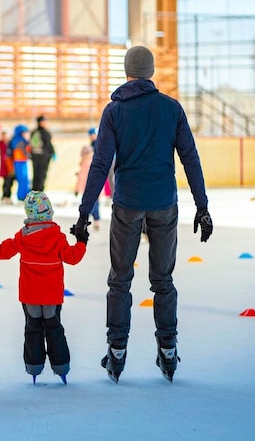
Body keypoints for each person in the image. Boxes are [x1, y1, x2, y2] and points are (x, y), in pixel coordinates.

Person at [72, 45, 213, 384]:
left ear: (127, 71)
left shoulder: (114, 111)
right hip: (164, 203)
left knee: (120, 279)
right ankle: (168, 349)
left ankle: (117, 350)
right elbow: (190, 158)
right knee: (163, 280)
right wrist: (202, 206)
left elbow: (101, 164)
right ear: (150, 72)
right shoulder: (171, 109)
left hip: (128, 205)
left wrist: (83, 214)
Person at [0, 191, 87, 384]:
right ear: (49, 212)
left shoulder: (22, 237)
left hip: (30, 295)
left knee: (32, 328)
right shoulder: (57, 237)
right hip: (52, 296)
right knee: (54, 328)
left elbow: (2, 252)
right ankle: (61, 367)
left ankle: (34, 367)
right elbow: (73, 257)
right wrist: (82, 241)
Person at [75, 139, 100, 231]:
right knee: (96, 203)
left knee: (88, 204)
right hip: (96, 187)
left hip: (87, 188)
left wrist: (77, 189)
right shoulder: (96, 161)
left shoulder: (84, 163)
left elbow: (81, 177)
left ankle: (85, 221)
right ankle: (97, 220)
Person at [29, 115, 54, 192]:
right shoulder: (45, 132)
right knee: (41, 175)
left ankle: (34, 192)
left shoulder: (33, 132)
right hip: (43, 157)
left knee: (36, 175)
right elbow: (48, 144)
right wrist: (52, 152)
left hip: (35, 156)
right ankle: (39, 193)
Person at [10, 124, 31, 201]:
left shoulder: (15, 140)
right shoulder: (21, 141)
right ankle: (23, 196)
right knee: (23, 180)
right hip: (21, 162)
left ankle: (22, 195)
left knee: (22, 179)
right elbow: (26, 153)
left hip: (18, 162)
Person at [0, 130, 15, 205]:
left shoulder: (9, 143)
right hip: (4, 166)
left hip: (10, 165)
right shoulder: (1, 143)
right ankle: (5, 196)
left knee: (10, 181)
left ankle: (8, 196)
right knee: (6, 182)